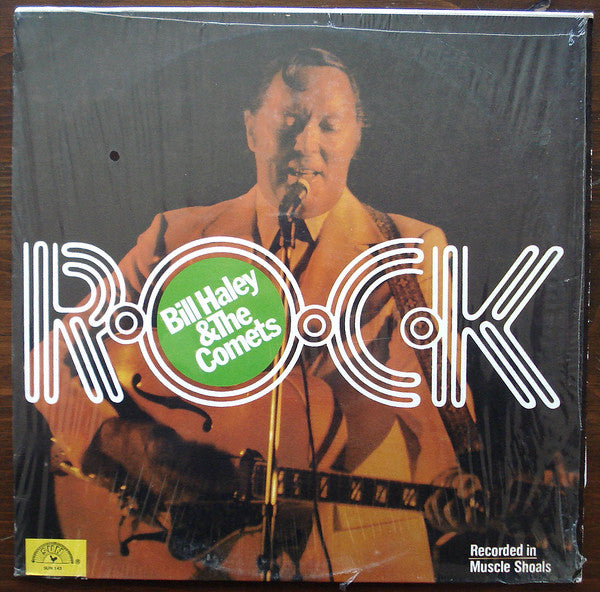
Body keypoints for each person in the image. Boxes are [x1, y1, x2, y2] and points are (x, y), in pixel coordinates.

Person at [35, 48, 480, 582]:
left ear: (356, 137)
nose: (306, 144)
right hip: (186, 554)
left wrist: (449, 480)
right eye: (289, 121)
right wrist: (116, 440)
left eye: (330, 126)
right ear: (251, 130)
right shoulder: (174, 236)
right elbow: (47, 362)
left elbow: (432, 405)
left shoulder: (410, 249)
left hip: (360, 546)